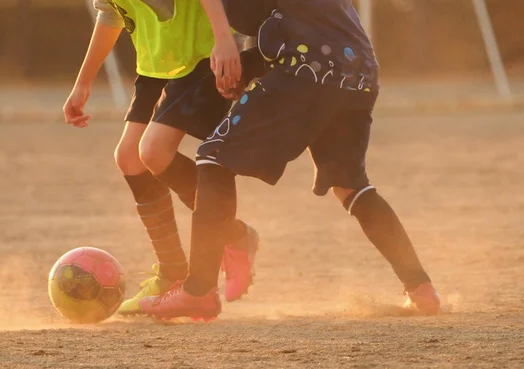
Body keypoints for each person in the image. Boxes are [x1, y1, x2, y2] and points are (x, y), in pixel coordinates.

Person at [140, 0, 441, 320]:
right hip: (357, 69)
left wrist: (225, 42)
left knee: (213, 159)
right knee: (350, 186)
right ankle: (421, 289)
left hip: (307, 64)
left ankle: (198, 291)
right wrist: (250, 63)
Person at [62, 0, 266, 314]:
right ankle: (176, 268)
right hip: (158, 63)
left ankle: (228, 241)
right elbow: (111, 13)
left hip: (203, 54)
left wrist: (225, 41)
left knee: (154, 152)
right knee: (130, 158)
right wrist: (83, 82)